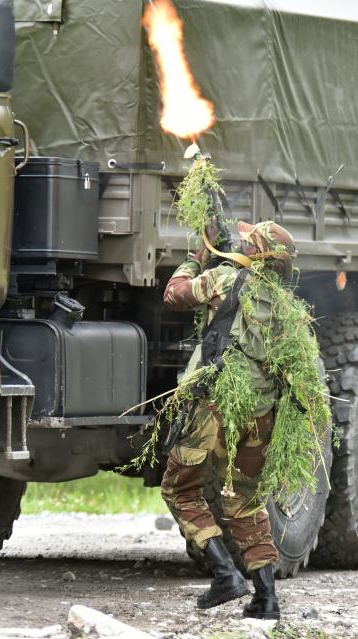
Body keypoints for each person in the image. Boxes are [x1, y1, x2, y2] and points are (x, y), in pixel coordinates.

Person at [161, 220, 297, 619]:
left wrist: (193, 259)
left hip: (215, 408)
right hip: (261, 415)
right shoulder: (284, 306)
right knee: (245, 501)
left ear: (254, 253)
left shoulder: (223, 280)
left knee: (179, 489)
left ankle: (224, 574)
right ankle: (266, 598)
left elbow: (174, 295)